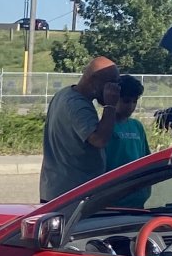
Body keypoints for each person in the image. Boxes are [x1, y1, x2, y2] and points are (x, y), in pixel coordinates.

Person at [40, 55, 121, 201]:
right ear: (94, 80)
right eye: (111, 83)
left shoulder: (64, 94)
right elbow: (99, 140)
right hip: (72, 194)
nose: (115, 89)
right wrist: (110, 105)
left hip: (58, 189)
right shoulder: (78, 106)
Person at [106, 74, 151, 172]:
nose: (131, 106)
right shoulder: (105, 127)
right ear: (114, 98)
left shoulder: (137, 126)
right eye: (126, 101)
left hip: (137, 183)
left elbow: (146, 158)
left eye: (134, 101)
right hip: (115, 184)